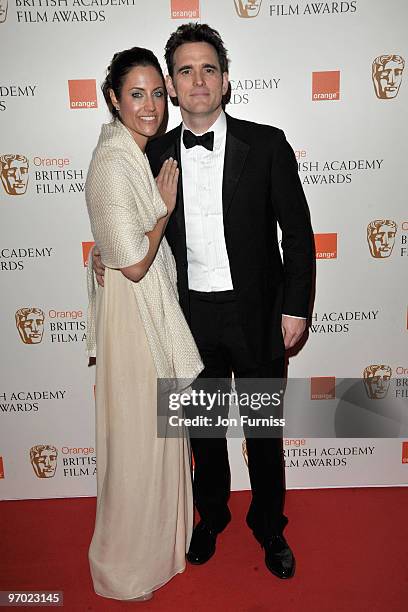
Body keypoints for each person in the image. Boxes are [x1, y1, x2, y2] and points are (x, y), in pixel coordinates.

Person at [93, 24, 314, 580]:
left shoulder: (266, 143)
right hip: (187, 319)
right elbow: (126, 219)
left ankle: (269, 526)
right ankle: (210, 516)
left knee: (264, 435)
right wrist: (101, 252)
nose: (198, 80)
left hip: (258, 314)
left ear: (225, 80)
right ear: (171, 83)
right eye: (186, 70)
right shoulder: (151, 152)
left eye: (208, 68)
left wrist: (296, 307)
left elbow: (299, 233)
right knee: (204, 434)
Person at [85, 47, 202, 601]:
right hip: (133, 321)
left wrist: (109, 247)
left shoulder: (136, 149)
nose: (151, 105)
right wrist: (162, 209)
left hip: (141, 311)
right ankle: (126, 563)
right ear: (114, 98)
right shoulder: (114, 160)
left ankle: (157, 549)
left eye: (158, 92)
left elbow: (116, 243)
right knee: (137, 441)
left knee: (153, 436)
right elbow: (132, 264)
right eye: (137, 93)